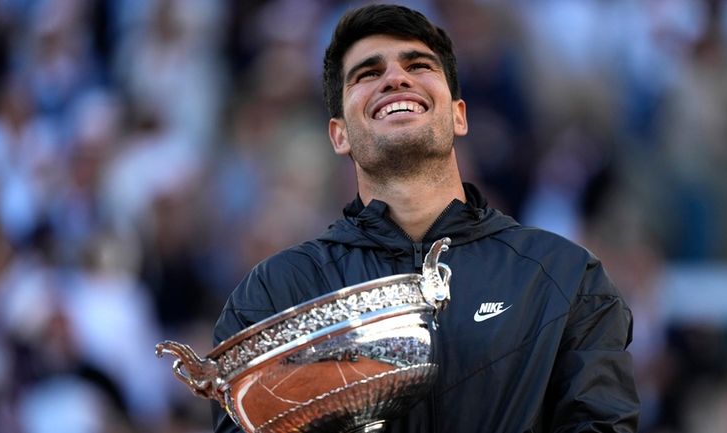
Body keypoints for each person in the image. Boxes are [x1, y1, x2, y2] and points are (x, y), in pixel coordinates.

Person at [212, 4, 640, 432]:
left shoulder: (564, 279)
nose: (395, 78)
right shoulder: (276, 295)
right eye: (367, 73)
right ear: (338, 134)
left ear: (459, 115)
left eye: (418, 65)